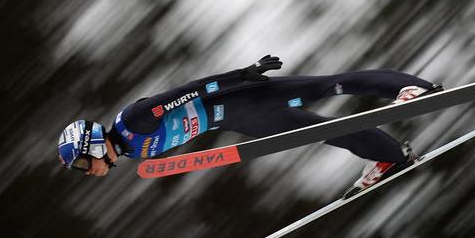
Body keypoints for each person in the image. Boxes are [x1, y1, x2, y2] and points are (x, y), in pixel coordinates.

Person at [56, 55, 441, 196]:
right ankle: (390, 156)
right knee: (326, 131)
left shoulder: (134, 123)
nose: (86, 172)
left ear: (89, 145)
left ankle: (415, 90)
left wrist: (242, 75)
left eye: (81, 164)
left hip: (240, 100)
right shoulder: (134, 149)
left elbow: (189, 91)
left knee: (329, 85)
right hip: (244, 120)